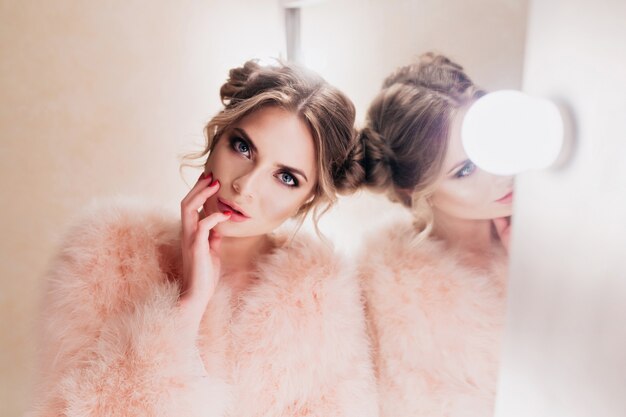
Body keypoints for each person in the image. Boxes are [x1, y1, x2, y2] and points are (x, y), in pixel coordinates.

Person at [29, 60, 377, 417]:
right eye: (243, 147)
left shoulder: (324, 301)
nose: (245, 185)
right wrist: (187, 309)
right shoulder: (106, 254)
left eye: (286, 177)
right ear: (217, 137)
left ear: (309, 198)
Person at [358, 52, 514, 417]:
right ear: (417, 190)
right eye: (464, 170)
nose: (500, 174)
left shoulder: (558, 237)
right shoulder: (386, 299)